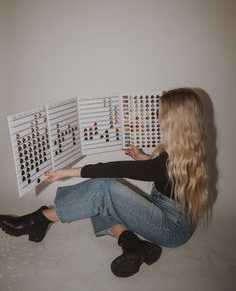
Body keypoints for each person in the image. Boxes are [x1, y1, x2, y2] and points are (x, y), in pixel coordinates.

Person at [0, 88, 209, 277]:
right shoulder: (189, 149)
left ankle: (40, 219)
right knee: (103, 199)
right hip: (168, 213)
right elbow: (165, 172)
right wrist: (143, 158)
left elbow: (117, 169)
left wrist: (67, 172)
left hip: (171, 229)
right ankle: (133, 245)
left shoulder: (169, 163)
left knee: (103, 187)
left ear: (175, 120)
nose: (158, 117)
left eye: (162, 114)